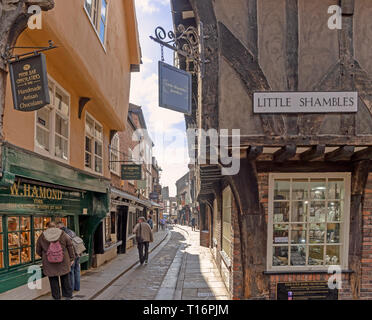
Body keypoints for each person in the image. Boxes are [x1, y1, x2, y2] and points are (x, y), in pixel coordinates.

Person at [36, 221, 75, 300]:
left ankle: (56, 297)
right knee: (65, 278)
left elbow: (38, 250)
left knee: (53, 280)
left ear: (48, 227)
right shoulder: (63, 234)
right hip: (63, 260)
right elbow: (70, 246)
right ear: (56, 227)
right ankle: (67, 295)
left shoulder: (42, 236)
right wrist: (72, 258)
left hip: (49, 262)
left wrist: (45, 256)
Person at [56, 221, 81, 292]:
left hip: (71, 255)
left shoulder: (63, 234)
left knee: (71, 272)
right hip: (77, 253)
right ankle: (77, 287)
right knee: (77, 270)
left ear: (59, 227)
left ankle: (71, 288)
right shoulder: (71, 232)